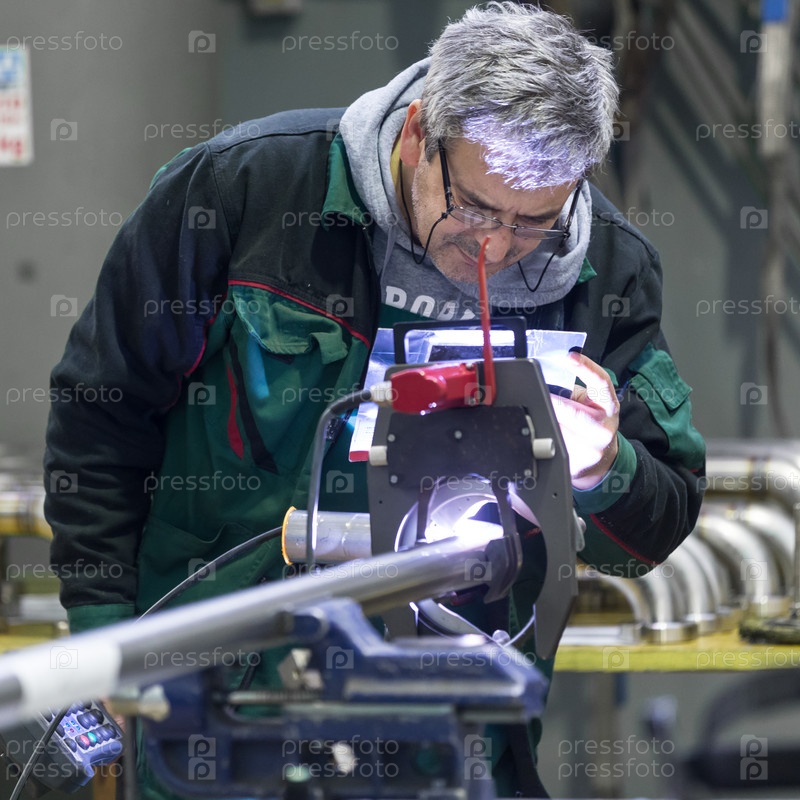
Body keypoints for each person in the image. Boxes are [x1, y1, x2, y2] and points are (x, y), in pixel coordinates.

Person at [44, 3, 705, 798]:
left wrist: (600, 468)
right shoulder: (245, 194)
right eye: (474, 208)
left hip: (451, 728)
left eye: (535, 223)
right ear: (421, 133)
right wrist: (104, 641)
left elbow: (648, 535)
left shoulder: (610, 272)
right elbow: (101, 416)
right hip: (215, 707)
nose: (496, 247)